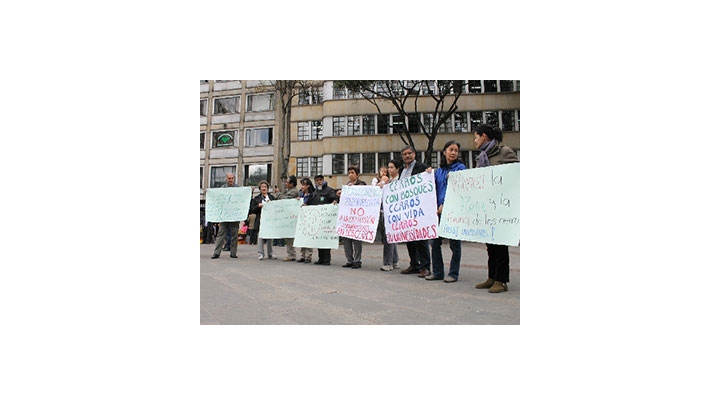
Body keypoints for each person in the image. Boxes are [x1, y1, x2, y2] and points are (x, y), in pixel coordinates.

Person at [473, 124, 519, 293]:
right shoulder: (481, 157)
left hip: (502, 207)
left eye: (476, 137)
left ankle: (501, 280)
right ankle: (492, 276)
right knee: (491, 245)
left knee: (500, 245)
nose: (474, 140)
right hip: (487, 208)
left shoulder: (505, 152)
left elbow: (516, 175)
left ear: (484, 136)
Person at [425, 140, 467, 283]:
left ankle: (453, 273)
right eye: (451, 150)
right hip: (437, 212)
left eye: (456, 150)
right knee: (435, 243)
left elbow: (461, 191)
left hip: (453, 211)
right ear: (444, 152)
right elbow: (431, 189)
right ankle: (437, 271)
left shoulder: (461, 169)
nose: (453, 152)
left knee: (454, 244)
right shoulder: (439, 171)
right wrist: (428, 175)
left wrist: (446, 204)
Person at [398, 145, 432, 277]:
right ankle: (414, 264)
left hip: (418, 208)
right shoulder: (402, 170)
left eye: (409, 153)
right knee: (409, 239)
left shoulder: (422, 168)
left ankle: (425, 267)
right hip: (406, 209)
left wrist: (429, 172)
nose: (407, 156)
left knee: (420, 238)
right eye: (405, 154)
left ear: (414, 154)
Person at [337, 166, 366, 269]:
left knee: (357, 240)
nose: (350, 175)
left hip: (357, 217)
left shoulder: (362, 185)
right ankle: (349, 260)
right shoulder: (347, 186)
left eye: (352, 172)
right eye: (349, 173)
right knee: (347, 240)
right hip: (348, 218)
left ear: (357, 174)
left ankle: (357, 260)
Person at [309, 174, 338, 265]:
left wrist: (334, 201)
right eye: (317, 180)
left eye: (320, 180)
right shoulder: (315, 192)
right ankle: (320, 258)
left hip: (327, 220)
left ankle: (326, 259)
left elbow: (334, 199)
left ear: (323, 180)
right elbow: (311, 203)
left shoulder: (329, 190)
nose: (319, 182)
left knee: (326, 240)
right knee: (319, 240)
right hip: (318, 220)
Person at [378, 159, 401, 271]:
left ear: (397, 169)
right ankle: (395, 261)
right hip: (386, 211)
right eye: (389, 167)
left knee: (388, 237)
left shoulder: (399, 181)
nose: (389, 170)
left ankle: (388, 263)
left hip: (394, 212)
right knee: (391, 237)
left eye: (392, 167)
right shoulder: (389, 181)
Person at [211, 173, 240, 259]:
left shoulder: (238, 188)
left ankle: (233, 253)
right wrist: (208, 192)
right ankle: (216, 253)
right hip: (224, 215)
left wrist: (251, 190)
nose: (231, 180)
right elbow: (216, 197)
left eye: (232, 178)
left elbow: (243, 197)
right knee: (221, 234)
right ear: (226, 179)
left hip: (234, 215)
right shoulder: (222, 189)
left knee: (234, 234)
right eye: (229, 178)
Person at [250, 180, 278, 260]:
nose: (264, 188)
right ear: (260, 188)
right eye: (262, 187)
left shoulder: (272, 197)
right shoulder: (257, 198)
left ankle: (270, 253)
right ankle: (260, 254)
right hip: (260, 220)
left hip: (270, 220)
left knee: (270, 238)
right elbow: (252, 209)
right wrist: (258, 206)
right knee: (260, 238)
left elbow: (277, 206)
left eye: (265, 187)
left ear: (268, 188)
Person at [276, 175, 300, 261]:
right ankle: (290, 253)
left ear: (292, 183)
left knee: (290, 237)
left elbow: (284, 199)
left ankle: (292, 254)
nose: (286, 183)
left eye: (287, 182)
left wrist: (278, 193)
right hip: (288, 216)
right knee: (288, 237)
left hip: (292, 217)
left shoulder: (293, 191)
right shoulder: (288, 190)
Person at [296, 178, 315, 264]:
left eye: (304, 185)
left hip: (309, 218)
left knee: (308, 237)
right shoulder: (301, 194)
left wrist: (307, 206)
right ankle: (302, 255)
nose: (302, 187)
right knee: (302, 237)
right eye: (302, 185)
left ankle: (308, 256)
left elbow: (314, 205)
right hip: (301, 218)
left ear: (308, 186)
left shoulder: (312, 195)